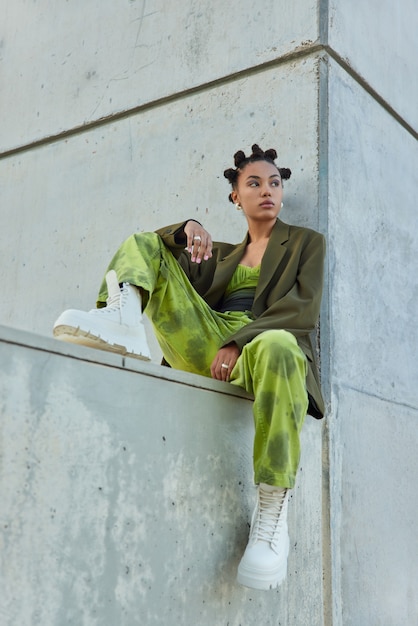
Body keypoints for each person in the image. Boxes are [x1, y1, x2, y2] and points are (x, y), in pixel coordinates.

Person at [53, 144, 326, 591]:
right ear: (236, 197)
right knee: (144, 240)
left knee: (278, 344)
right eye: (253, 183)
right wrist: (186, 229)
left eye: (274, 182)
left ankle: (273, 514)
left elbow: (304, 308)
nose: (267, 191)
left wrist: (239, 342)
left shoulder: (305, 244)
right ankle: (122, 319)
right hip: (206, 339)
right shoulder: (218, 254)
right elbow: (158, 249)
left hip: (259, 345)